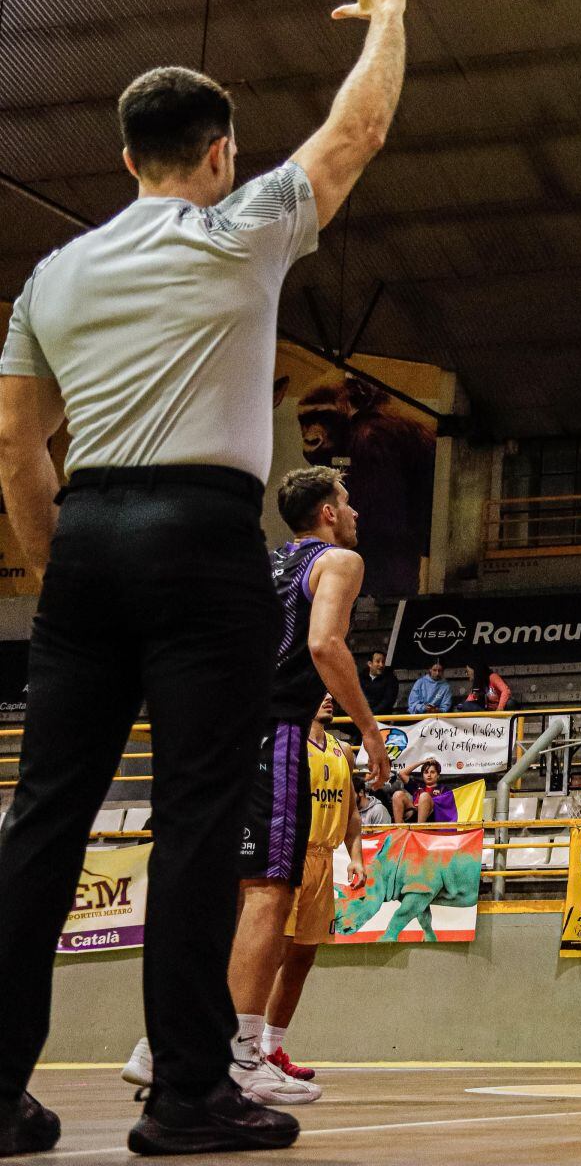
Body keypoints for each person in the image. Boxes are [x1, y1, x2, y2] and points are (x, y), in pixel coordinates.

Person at [0, 0, 404, 1157]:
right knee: (193, 816)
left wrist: (52, 562)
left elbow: (16, 451)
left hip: (85, 541)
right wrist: (387, 13)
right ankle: (184, 1094)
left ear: (127, 157)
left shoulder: (53, 278)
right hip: (200, 538)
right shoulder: (243, 227)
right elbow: (354, 134)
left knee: (43, 821)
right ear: (219, 154)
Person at [122, 467, 392, 1114]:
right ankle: (240, 1058)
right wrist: (370, 729)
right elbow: (326, 643)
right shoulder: (339, 560)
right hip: (271, 730)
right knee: (272, 891)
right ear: (327, 512)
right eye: (348, 502)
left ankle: (165, 1044)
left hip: (212, 726)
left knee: (228, 894)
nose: (355, 514)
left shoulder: (265, 562)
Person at [257, 697, 367, 1086]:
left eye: (328, 691)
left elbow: (351, 810)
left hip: (323, 858)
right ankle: (243, 1046)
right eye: (316, 689)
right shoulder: (284, 742)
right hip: (287, 853)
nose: (325, 697)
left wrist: (355, 856)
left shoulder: (343, 750)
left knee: (302, 958)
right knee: (269, 954)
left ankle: (271, 1047)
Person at [358, 650, 399, 716]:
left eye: (383, 662)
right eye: (378, 661)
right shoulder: (360, 678)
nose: (381, 665)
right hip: (361, 718)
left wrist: (371, 714)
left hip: (382, 720)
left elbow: (388, 701)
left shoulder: (391, 679)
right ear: (370, 664)